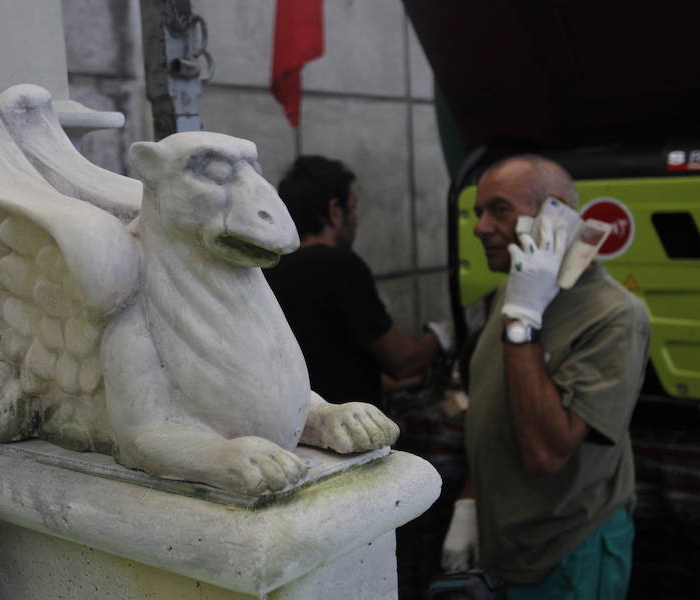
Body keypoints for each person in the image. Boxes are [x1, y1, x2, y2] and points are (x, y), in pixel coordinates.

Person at [441, 155, 649, 599]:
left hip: (568, 551)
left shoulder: (614, 316)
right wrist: (468, 503)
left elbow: (545, 453)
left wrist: (523, 323)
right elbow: (494, 407)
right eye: (478, 213)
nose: (479, 228)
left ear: (555, 214)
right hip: (508, 545)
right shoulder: (514, 293)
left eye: (498, 209)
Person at [264, 155, 449, 410]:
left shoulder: (268, 267)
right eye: (353, 208)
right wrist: (441, 336)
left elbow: (324, 365)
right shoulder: (339, 266)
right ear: (334, 211)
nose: (356, 220)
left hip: (296, 425)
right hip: (347, 435)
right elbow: (403, 361)